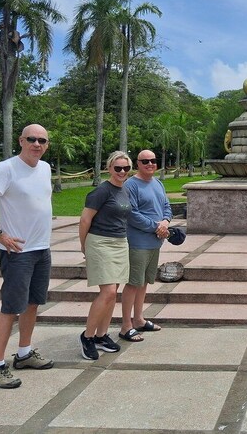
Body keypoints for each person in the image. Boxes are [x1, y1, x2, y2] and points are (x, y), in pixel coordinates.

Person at [0, 124, 54, 389]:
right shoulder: (6, 168)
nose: (37, 144)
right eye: (32, 139)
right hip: (17, 253)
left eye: (42, 140)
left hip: (41, 249)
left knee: (32, 304)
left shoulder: (45, 168)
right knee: (9, 308)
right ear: (21, 140)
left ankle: (25, 353)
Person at [78, 151, 132, 360]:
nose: (121, 172)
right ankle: (87, 336)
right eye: (117, 168)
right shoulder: (101, 191)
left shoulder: (124, 190)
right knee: (108, 291)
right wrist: (84, 246)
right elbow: (84, 220)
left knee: (114, 290)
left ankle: (101, 335)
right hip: (100, 242)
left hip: (120, 243)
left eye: (125, 168)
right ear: (109, 168)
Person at [119, 150, 173, 342]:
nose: (150, 164)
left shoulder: (158, 183)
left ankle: (139, 319)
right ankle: (126, 325)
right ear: (138, 163)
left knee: (143, 283)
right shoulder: (131, 185)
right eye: (145, 161)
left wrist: (165, 222)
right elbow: (132, 214)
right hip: (138, 242)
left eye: (153, 161)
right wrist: (155, 227)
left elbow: (166, 206)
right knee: (133, 283)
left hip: (155, 241)